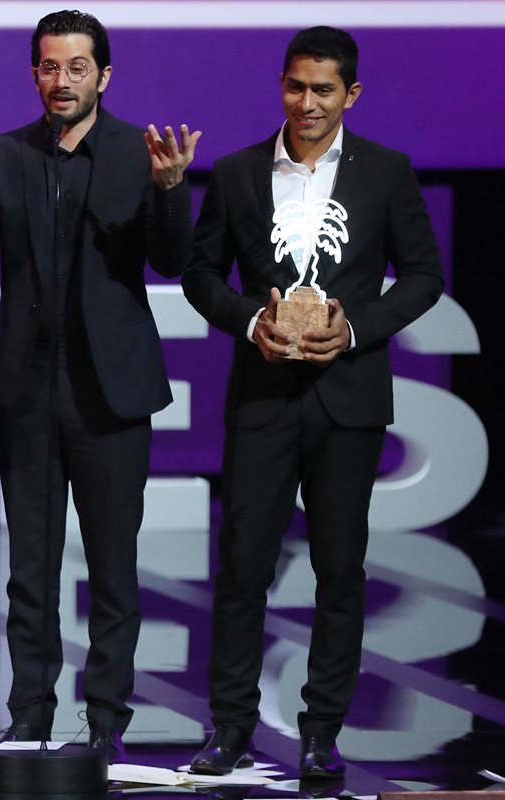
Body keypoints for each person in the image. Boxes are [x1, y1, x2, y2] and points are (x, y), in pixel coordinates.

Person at [0, 9, 199, 758]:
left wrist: (173, 190)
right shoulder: (3, 154)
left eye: (77, 68)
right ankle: (29, 715)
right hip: (27, 387)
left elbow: (173, 262)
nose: (61, 81)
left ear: (103, 77)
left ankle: (107, 717)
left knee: (113, 566)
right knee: (29, 567)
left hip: (110, 391)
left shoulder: (139, 153)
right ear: (34, 74)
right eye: (49, 67)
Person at [182, 26, 444, 779]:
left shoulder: (386, 173)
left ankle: (321, 733)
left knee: (340, 570)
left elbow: (424, 275)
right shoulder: (234, 174)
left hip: (347, 397)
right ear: (282, 87)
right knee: (241, 568)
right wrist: (248, 321)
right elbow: (202, 275)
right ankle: (229, 728)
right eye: (295, 87)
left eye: (323, 89)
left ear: (350, 94)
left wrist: (355, 329)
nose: (307, 102)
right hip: (262, 394)